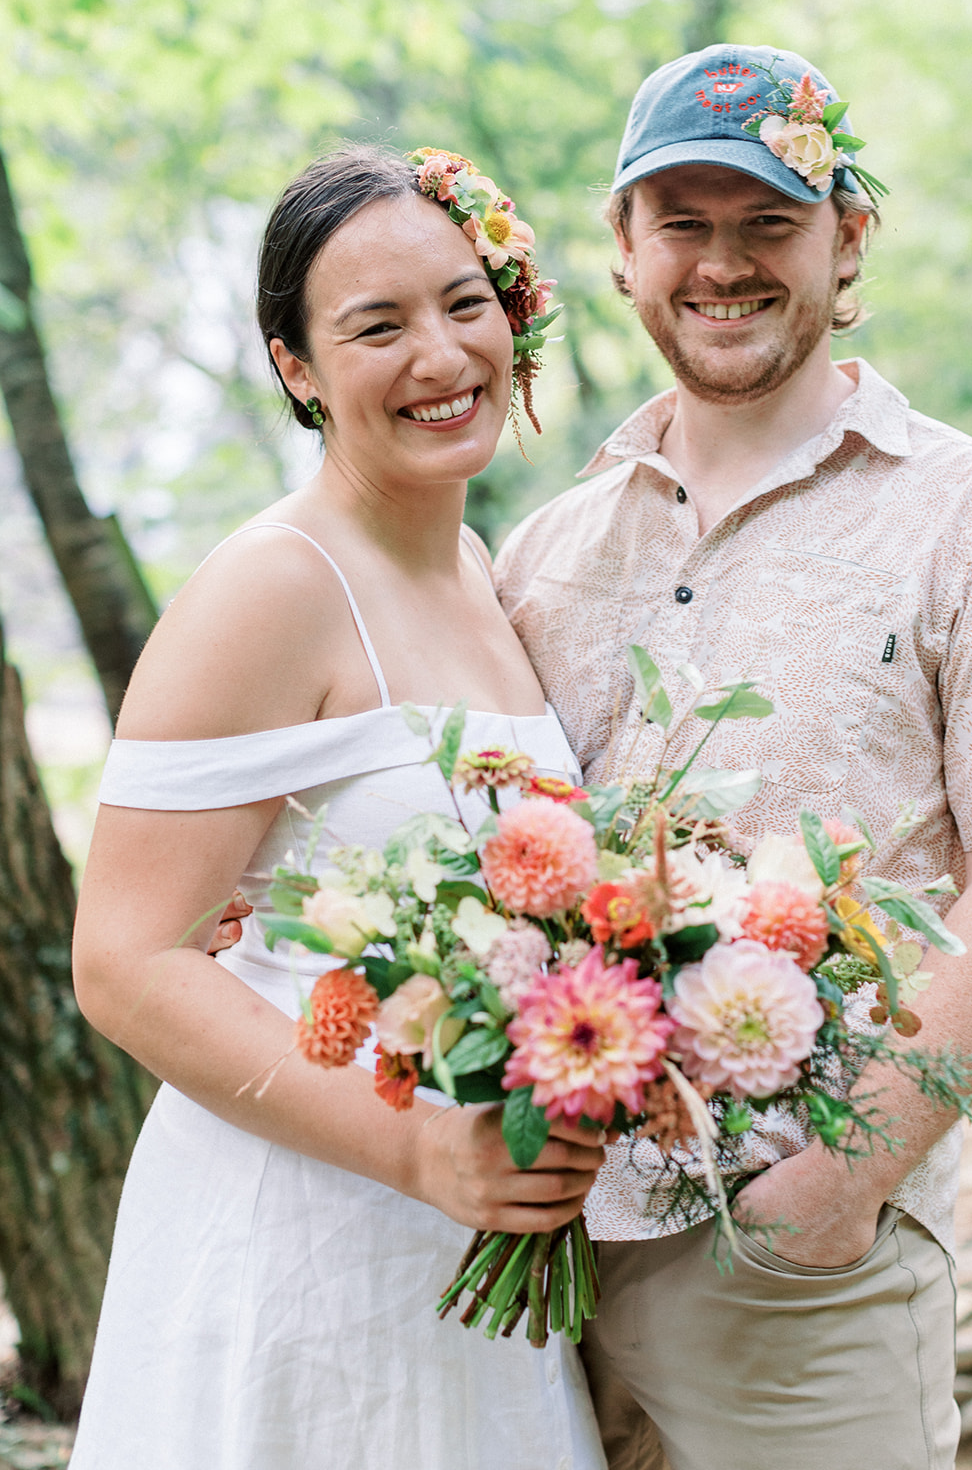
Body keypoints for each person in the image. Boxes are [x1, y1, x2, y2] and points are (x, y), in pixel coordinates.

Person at [492, 44, 972, 1470]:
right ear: (623, 251)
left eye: (770, 222)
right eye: (685, 224)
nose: (724, 264)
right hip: (542, 1255)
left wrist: (848, 1177)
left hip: (800, 1258)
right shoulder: (544, 551)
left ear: (850, 238)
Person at [70, 145, 607, 1470]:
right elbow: (123, 963)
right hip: (300, 1251)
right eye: (378, 326)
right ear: (296, 367)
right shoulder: (270, 586)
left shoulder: (481, 570)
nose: (440, 355)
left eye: (464, 302)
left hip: (480, 1258)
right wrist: (418, 1152)